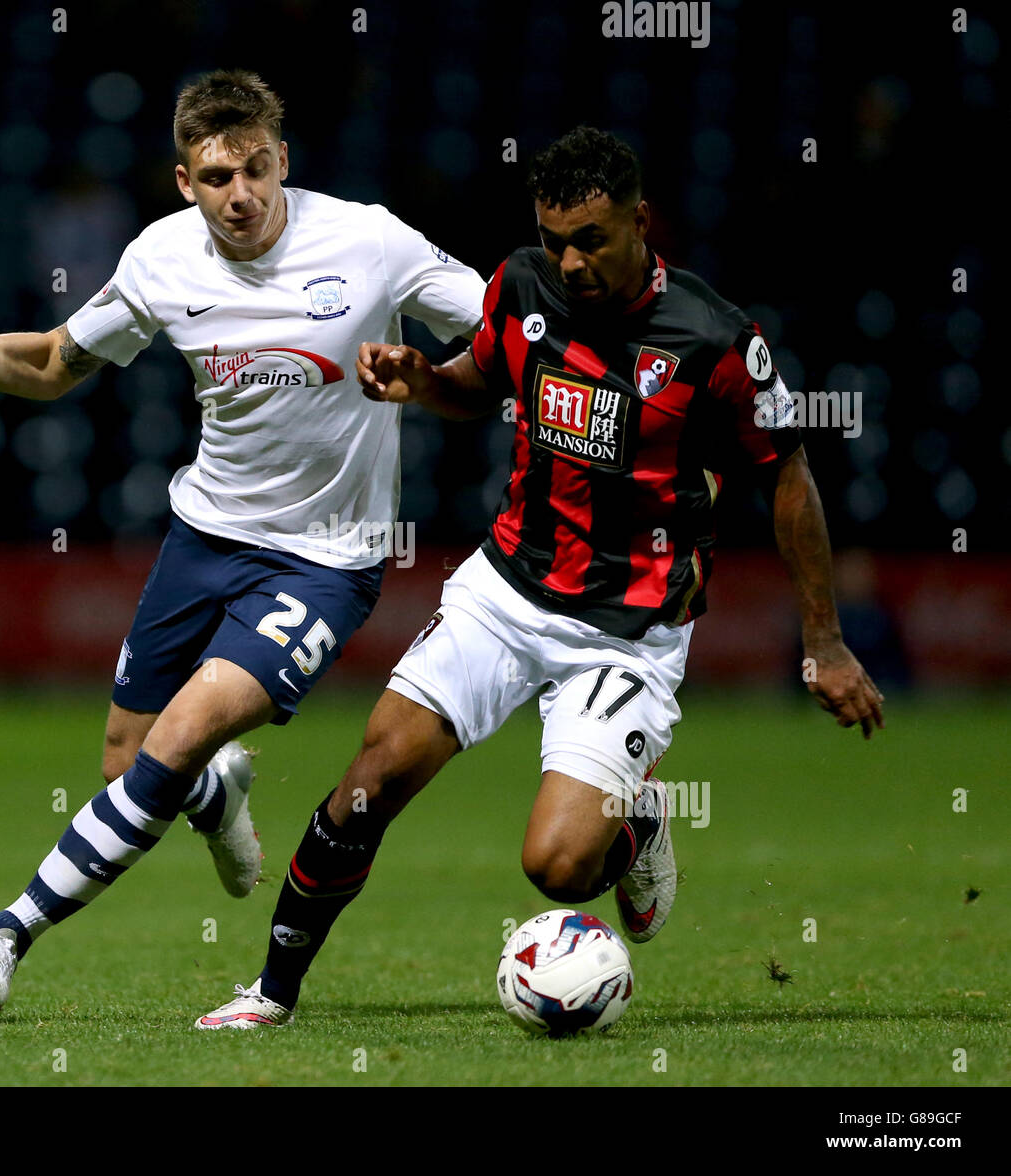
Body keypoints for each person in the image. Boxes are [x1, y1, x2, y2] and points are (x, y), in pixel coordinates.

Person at [197, 126, 884, 1029]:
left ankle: (633, 826)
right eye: (556, 239)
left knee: (557, 868)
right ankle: (271, 994)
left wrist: (825, 642)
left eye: (592, 239)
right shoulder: (522, 284)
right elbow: (482, 381)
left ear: (642, 222)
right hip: (505, 591)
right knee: (372, 778)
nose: (571, 262)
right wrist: (422, 379)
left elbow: (787, 475)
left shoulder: (714, 340)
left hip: (627, 633)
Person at [0, 69, 485, 1011]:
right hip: (204, 536)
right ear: (184, 181)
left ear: (283, 161)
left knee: (178, 734)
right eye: (218, 178)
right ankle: (216, 797)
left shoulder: (369, 241)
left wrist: (434, 375)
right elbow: (55, 363)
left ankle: (6, 934)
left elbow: (504, 329)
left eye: (257, 169)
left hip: (328, 557)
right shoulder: (162, 259)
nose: (241, 194)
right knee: (131, 768)